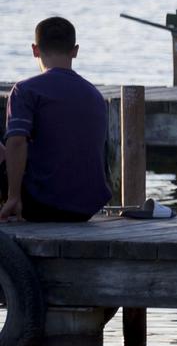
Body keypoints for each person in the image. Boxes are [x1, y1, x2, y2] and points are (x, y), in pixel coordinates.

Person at [1, 16, 111, 224]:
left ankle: (10, 206)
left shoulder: (26, 90)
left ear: (35, 50)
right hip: (85, 208)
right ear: (75, 50)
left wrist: (14, 196)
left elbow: (16, 142)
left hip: (41, 204)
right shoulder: (94, 95)